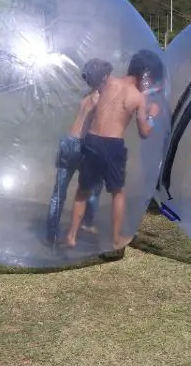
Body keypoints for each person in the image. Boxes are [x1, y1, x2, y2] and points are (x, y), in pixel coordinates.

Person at [62, 50, 161, 250]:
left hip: (92, 140)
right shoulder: (138, 98)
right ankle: (116, 239)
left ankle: (71, 236)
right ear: (145, 74)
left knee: (83, 191)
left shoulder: (108, 82)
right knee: (118, 192)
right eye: (149, 78)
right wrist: (152, 116)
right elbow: (144, 132)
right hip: (112, 146)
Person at [45, 58, 112, 245]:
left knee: (59, 193)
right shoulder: (99, 98)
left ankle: (51, 234)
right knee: (93, 186)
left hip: (67, 142)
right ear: (104, 77)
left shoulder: (87, 95)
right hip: (82, 145)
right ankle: (86, 223)